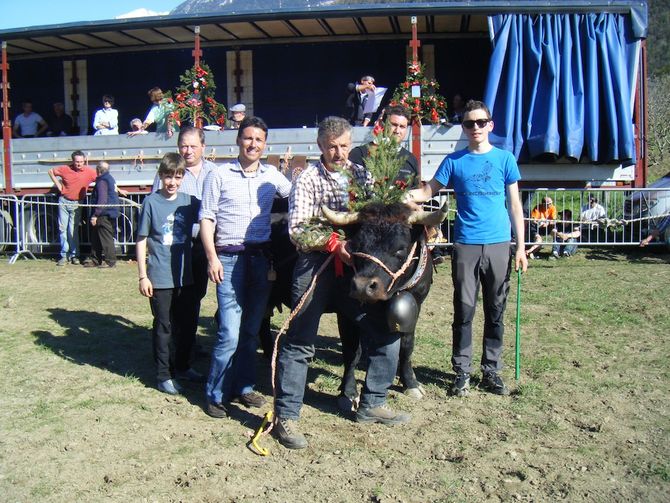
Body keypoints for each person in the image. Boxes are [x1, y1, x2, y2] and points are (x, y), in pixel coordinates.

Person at [273, 116, 410, 450]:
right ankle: (286, 417)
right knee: (301, 339)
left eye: (344, 145)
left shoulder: (362, 175)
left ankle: (372, 402)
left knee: (388, 329)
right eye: (332, 146)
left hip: (356, 269)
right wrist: (335, 244)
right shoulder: (307, 178)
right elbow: (297, 230)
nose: (338, 152)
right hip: (315, 264)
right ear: (320, 146)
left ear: (351, 144)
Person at [405, 99, 527, 397]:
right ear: (464, 128)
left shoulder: (505, 159)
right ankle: (462, 372)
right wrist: (399, 196)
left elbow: (514, 204)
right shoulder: (454, 161)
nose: (475, 128)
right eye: (470, 123)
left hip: (499, 244)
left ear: (490, 125)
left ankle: (492, 371)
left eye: (480, 122)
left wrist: (521, 248)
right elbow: (426, 191)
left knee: (495, 309)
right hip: (466, 245)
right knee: (464, 309)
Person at [199, 116, 292, 419]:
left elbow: (296, 195)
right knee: (229, 332)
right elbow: (207, 218)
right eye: (248, 138)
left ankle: (244, 386)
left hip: (261, 260)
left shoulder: (273, 176)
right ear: (238, 140)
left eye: (259, 140)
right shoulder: (220, 174)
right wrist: (212, 257)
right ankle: (215, 393)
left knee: (252, 330)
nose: (253, 144)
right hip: (228, 259)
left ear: (265, 145)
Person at [151, 126, 218, 381]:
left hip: (202, 248)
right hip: (174, 247)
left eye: (192, 146)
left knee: (193, 301)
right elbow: (156, 209)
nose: (187, 151)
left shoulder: (214, 172)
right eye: (183, 146)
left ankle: (185, 354)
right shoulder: (170, 173)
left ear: (203, 147)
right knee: (170, 305)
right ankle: (168, 358)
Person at [136, 153, 201, 395]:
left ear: (183, 177)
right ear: (160, 176)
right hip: (160, 277)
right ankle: (163, 374)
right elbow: (141, 239)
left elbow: (210, 217)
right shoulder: (151, 203)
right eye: (167, 176)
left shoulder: (189, 202)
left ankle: (183, 366)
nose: (172, 181)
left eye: (177, 176)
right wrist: (143, 275)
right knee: (164, 326)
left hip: (185, 276)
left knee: (187, 325)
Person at [348, 104, 418, 187]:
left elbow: (415, 192)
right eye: (394, 125)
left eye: (402, 127)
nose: (397, 130)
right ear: (382, 124)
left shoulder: (410, 159)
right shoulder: (360, 154)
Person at [48, 150, 98, 266]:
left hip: (77, 203)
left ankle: (74, 255)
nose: (79, 164)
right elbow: (51, 171)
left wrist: (118, 189)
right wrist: (59, 185)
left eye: (81, 162)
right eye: (77, 162)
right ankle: (64, 255)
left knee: (72, 230)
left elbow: (102, 178)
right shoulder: (65, 169)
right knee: (62, 229)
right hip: (64, 201)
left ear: (84, 161)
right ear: (73, 161)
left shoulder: (90, 172)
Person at [85, 161, 120, 268]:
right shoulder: (110, 178)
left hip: (104, 213)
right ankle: (95, 259)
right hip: (109, 211)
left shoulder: (102, 181)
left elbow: (102, 199)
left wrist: (96, 214)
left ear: (98, 170)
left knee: (105, 238)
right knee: (96, 237)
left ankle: (110, 261)